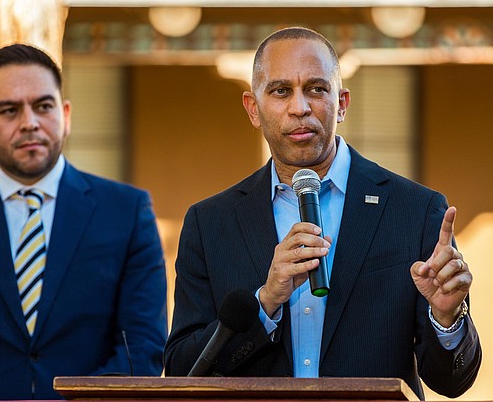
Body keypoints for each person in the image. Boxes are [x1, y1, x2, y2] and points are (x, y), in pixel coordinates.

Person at [164, 27, 481, 399]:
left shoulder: (415, 210)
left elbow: (452, 382)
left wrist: (446, 320)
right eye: (281, 91)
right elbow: (183, 370)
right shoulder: (210, 223)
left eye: (316, 89)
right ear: (253, 108)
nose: (300, 107)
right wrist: (265, 302)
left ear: (342, 103)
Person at [0, 43, 168, 402]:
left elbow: (144, 345)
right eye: (9, 110)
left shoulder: (127, 211)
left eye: (43, 106)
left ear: (66, 114)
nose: (29, 122)